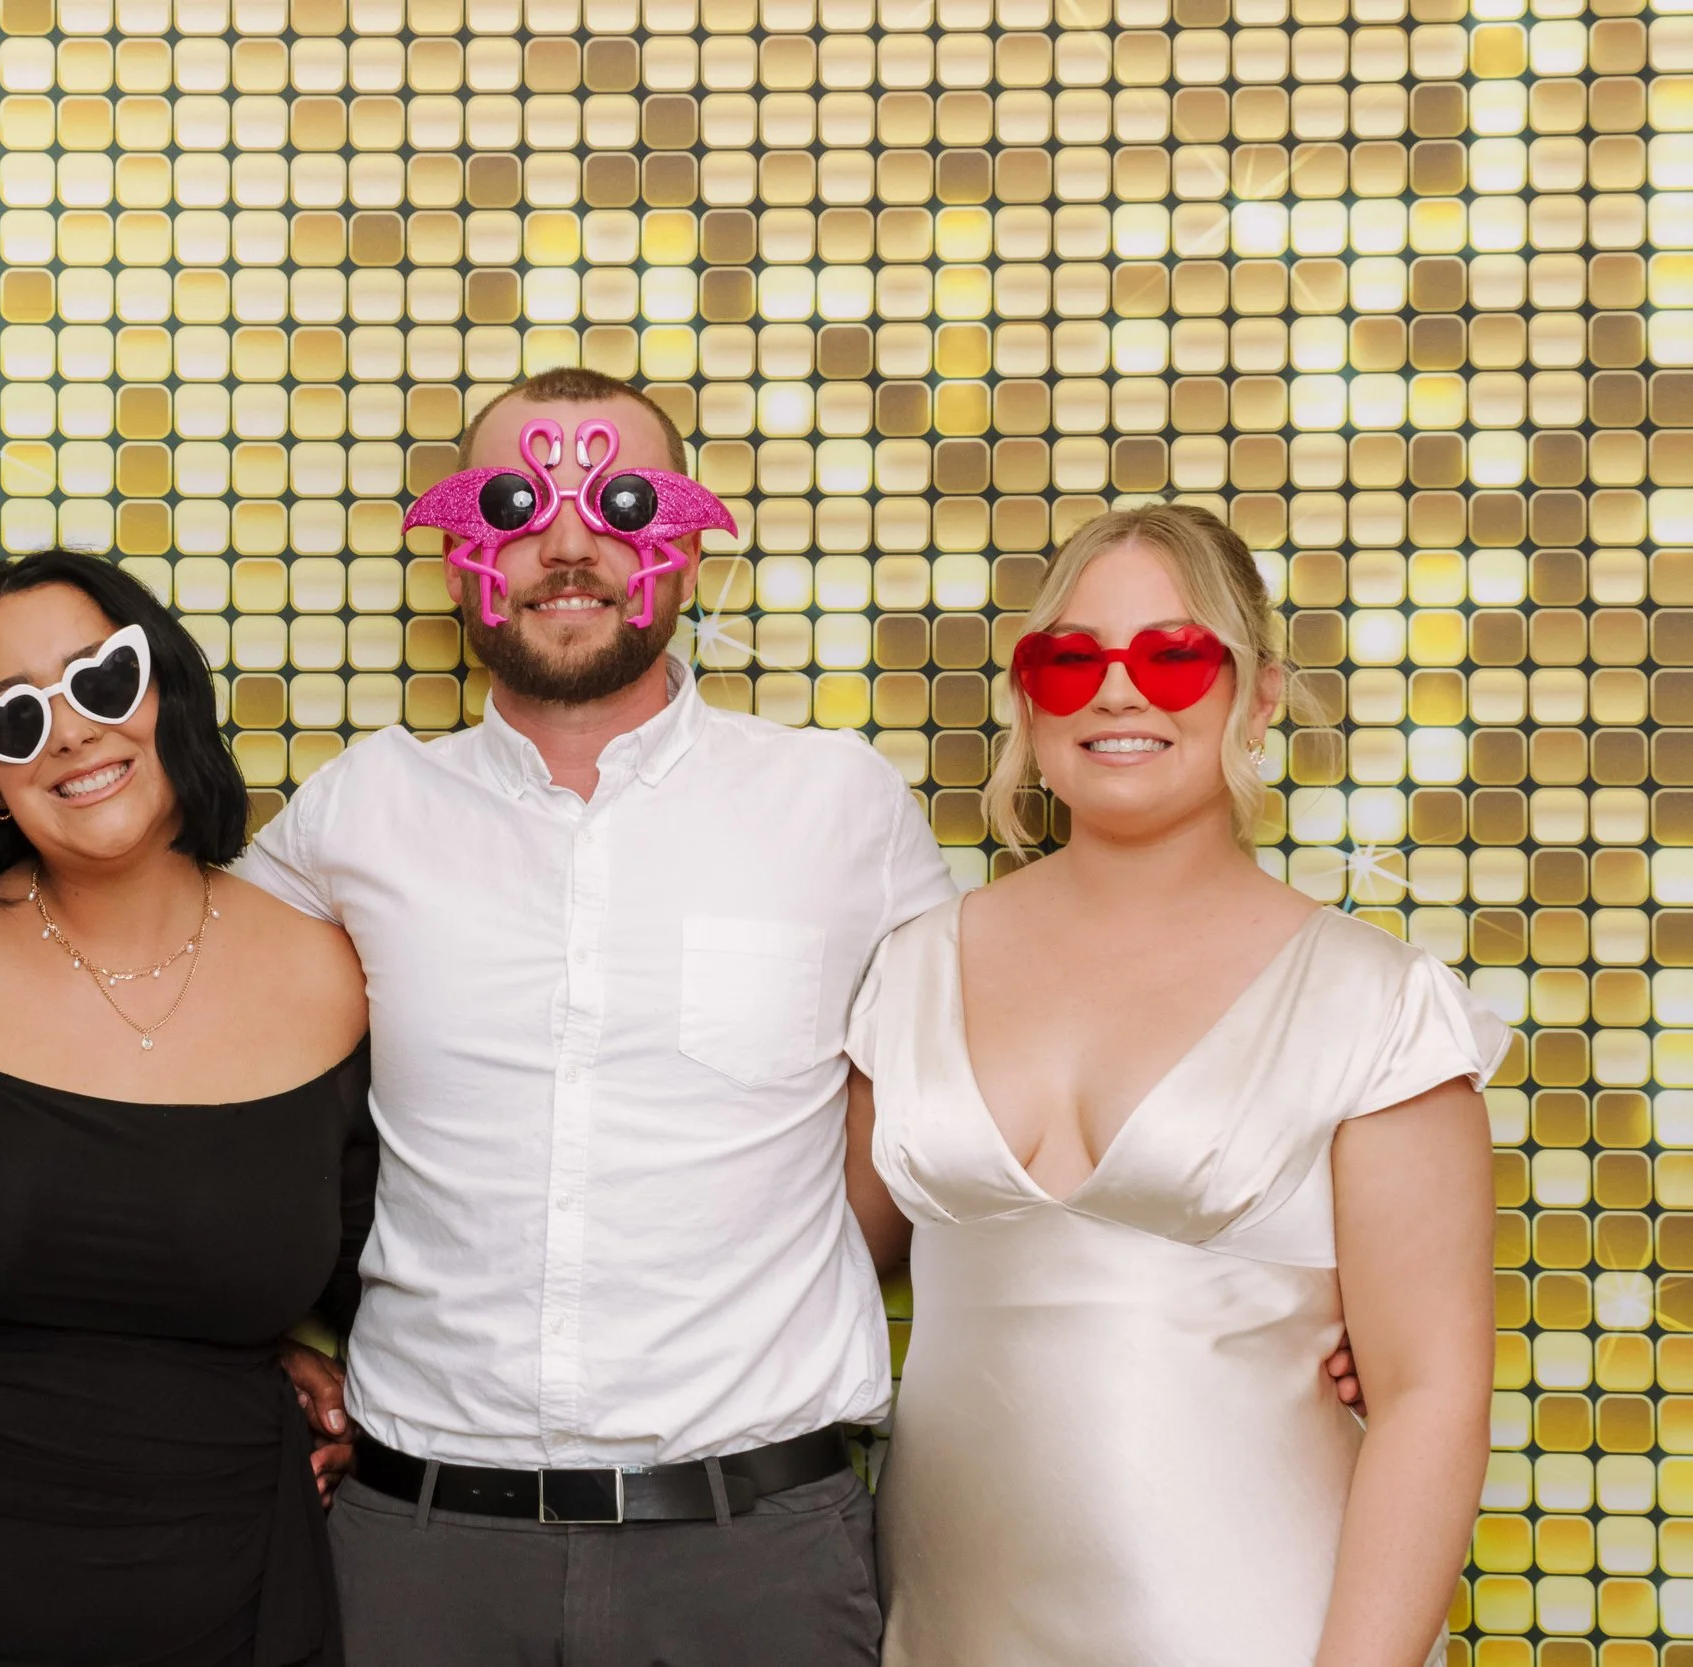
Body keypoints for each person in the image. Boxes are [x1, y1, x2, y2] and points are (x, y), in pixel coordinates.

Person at [236, 366, 949, 1663]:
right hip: (422, 1550)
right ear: (456, 548)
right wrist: (234, 1336)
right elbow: (175, 1043)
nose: (569, 544)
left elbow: (933, 1108)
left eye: (620, 503)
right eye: (515, 503)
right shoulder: (355, 815)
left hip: (756, 1550)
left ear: (687, 540)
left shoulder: (840, 808)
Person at [843, 504, 1501, 1666]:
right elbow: (810, 1268)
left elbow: (1430, 1399)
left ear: (1256, 695)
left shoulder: (1376, 1002)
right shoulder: (909, 969)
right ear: (1027, 695)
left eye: (1172, 654)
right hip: (947, 1626)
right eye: (1071, 658)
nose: (1116, 691)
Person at [0, 550, 375, 1667]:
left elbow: (390, 1282)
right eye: (10, 716)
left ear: (167, 693)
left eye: (101, 681)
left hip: (229, 1605)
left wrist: (365, 1418)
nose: (67, 732)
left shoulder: (330, 976)